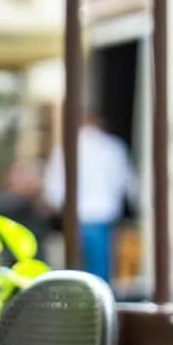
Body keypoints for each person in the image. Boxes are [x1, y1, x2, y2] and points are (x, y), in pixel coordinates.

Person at [45, 111, 136, 283]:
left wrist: (60, 209)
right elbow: (124, 181)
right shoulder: (112, 147)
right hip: (103, 214)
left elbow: (54, 187)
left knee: (75, 265)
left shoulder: (65, 148)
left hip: (77, 215)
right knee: (100, 267)